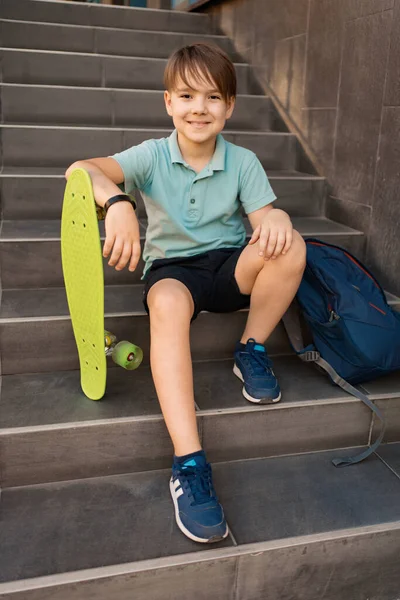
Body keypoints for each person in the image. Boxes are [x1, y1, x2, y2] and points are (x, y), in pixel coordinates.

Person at [65, 43, 306, 544]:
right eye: (187, 95)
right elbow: (79, 170)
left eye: (213, 97)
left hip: (229, 268)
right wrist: (117, 202)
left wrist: (278, 217)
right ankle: (189, 464)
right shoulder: (152, 154)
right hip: (173, 271)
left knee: (291, 247)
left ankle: (251, 347)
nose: (200, 107)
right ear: (169, 103)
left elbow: (265, 225)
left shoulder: (243, 161)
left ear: (230, 107)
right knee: (169, 303)